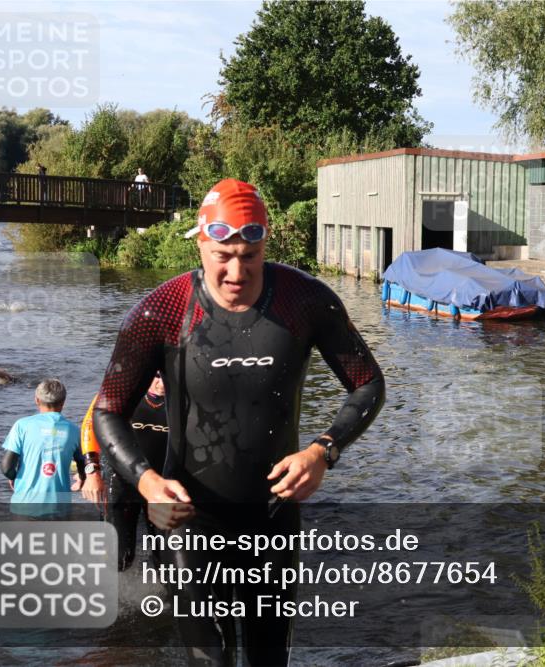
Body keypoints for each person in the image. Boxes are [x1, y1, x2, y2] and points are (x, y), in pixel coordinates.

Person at [92, 178, 385, 665]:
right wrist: (145, 483)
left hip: (273, 518)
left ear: (264, 244)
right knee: (209, 658)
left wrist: (322, 451)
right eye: (222, 255)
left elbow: (368, 383)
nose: (235, 272)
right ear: (201, 243)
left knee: (269, 656)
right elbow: (107, 411)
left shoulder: (303, 300)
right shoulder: (163, 311)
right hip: (189, 520)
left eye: (249, 256)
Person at [81, 373, 168, 571]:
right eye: (154, 376)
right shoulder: (121, 393)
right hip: (121, 482)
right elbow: (90, 425)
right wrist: (92, 472)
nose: (160, 383)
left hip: (160, 485)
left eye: (165, 377)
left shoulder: (181, 399)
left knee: (166, 558)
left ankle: (170, 597)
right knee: (119, 557)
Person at [0, 379, 84, 517]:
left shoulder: (22, 426)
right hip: (59, 509)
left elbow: (6, 467)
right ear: (63, 402)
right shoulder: (74, 431)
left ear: (37, 400)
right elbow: (84, 465)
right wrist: (81, 479)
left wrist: (14, 477)